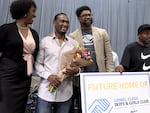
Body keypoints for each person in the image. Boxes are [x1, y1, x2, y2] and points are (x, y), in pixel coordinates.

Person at [69, 5, 114, 113]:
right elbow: (73, 59)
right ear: (79, 18)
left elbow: (108, 56)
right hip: (82, 79)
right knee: (83, 106)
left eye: (89, 14)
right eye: (84, 15)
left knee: (101, 106)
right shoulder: (72, 36)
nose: (88, 17)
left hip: (100, 77)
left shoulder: (102, 33)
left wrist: (110, 74)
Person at [35, 13, 80, 113]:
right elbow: (37, 64)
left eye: (67, 22)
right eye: (62, 21)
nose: (65, 24)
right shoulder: (45, 41)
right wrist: (48, 76)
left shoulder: (74, 44)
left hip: (66, 93)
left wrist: (76, 71)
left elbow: (79, 66)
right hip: (45, 92)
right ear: (54, 22)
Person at [0, 0, 39, 113]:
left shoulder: (34, 33)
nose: (35, 15)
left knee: (20, 109)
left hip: (25, 78)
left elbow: (37, 54)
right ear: (25, 12)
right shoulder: (6, 29)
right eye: (33, 11)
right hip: (7, 77)